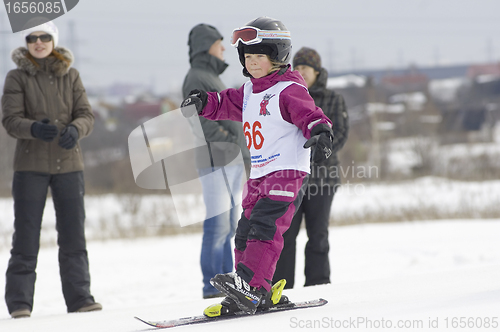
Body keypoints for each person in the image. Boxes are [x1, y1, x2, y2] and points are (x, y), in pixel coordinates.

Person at [181, 17, 334, 315]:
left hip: (286, 171)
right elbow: (227, 103)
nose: (251, 63)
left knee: (265, 227)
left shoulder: (288, 89)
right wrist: (205, 102)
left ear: (277, 56)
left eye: (258, 57)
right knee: (245, 230)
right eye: (247, 57)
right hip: (260, 173)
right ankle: (250, 291)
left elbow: (310, 114)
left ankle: (250, 287)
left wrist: (320, 130)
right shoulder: (250, 91)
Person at [1, 21, 101, 318]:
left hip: (69, 165)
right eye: (33, 38)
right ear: (27, 42)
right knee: (26, 235)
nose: (39, 42)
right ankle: (19, 303)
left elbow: (86, 115)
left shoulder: (71, 76)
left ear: (54, 41)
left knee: (73, 235)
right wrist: (33, 128)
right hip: (30, 167)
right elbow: (10, 120)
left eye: (45, 37)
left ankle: (80, 298)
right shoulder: (16, 77)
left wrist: (76, 129)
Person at [182, 24, 249, 299]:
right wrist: (229, 140)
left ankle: (225, 282)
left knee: (229, 225)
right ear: (206, 45)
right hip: (215, 159)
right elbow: (196, 119)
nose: (223, 49)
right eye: (219, 43)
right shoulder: (196, 76)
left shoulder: (210, 75)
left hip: (229, 160)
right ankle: (211, 285)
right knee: (217, 224)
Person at [273, 47, 349, 289]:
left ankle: (318, 284)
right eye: (298, 67)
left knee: (317, 235)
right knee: (286, 236)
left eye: (306, 67)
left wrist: (312, 153)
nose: (301, 72)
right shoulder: (288, 95)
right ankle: (281, 286)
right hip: (291, 180)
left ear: (317, 71)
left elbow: (340, 134)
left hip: (323, 180)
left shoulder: (333, 99)